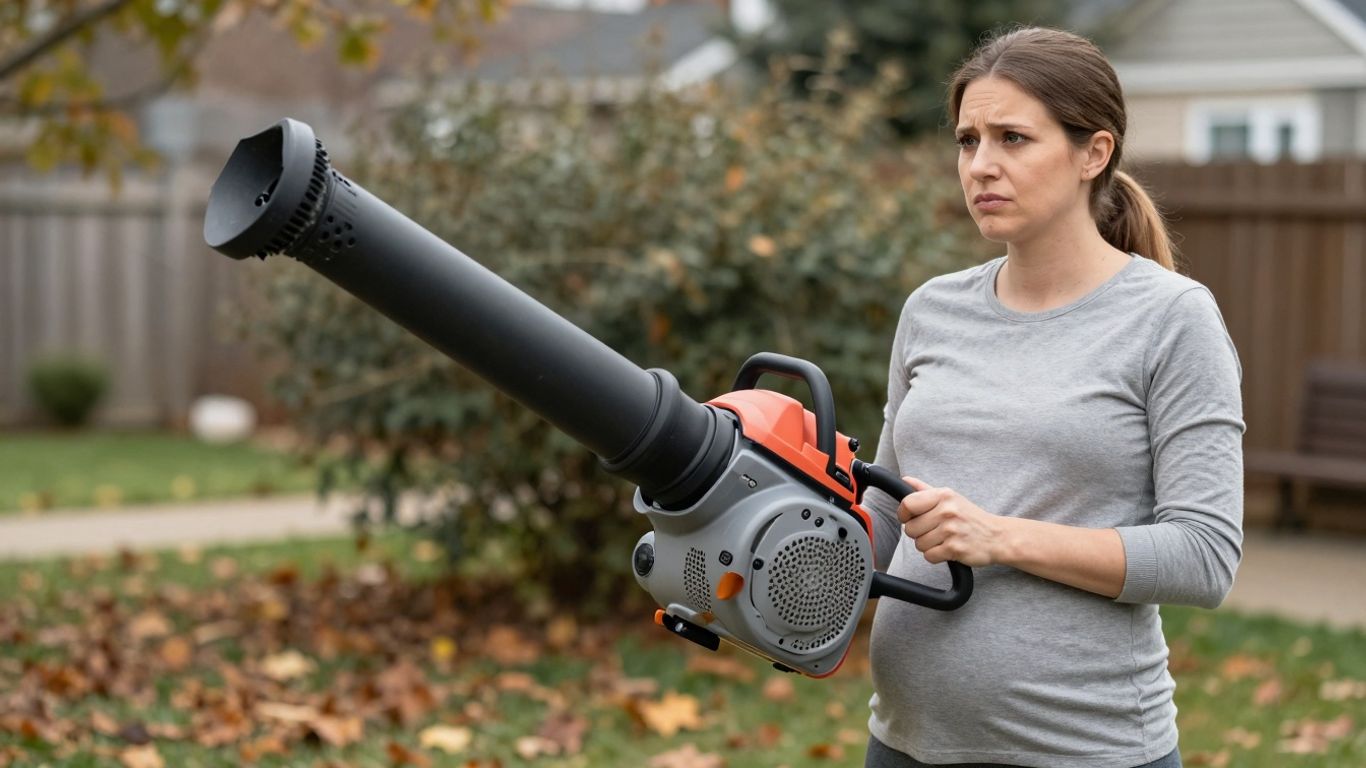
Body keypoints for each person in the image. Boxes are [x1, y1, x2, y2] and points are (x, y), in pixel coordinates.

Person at [860, 26, 1244, 768]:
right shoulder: (932, 310)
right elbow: (884, 513)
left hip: (1087, 749)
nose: (981, 165)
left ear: (1093, 154)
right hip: (904, 742)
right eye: (968, 140)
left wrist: (1000, 538)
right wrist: (769, 550)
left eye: (1013, 138)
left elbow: (1203, 556)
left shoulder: (1172, 319)